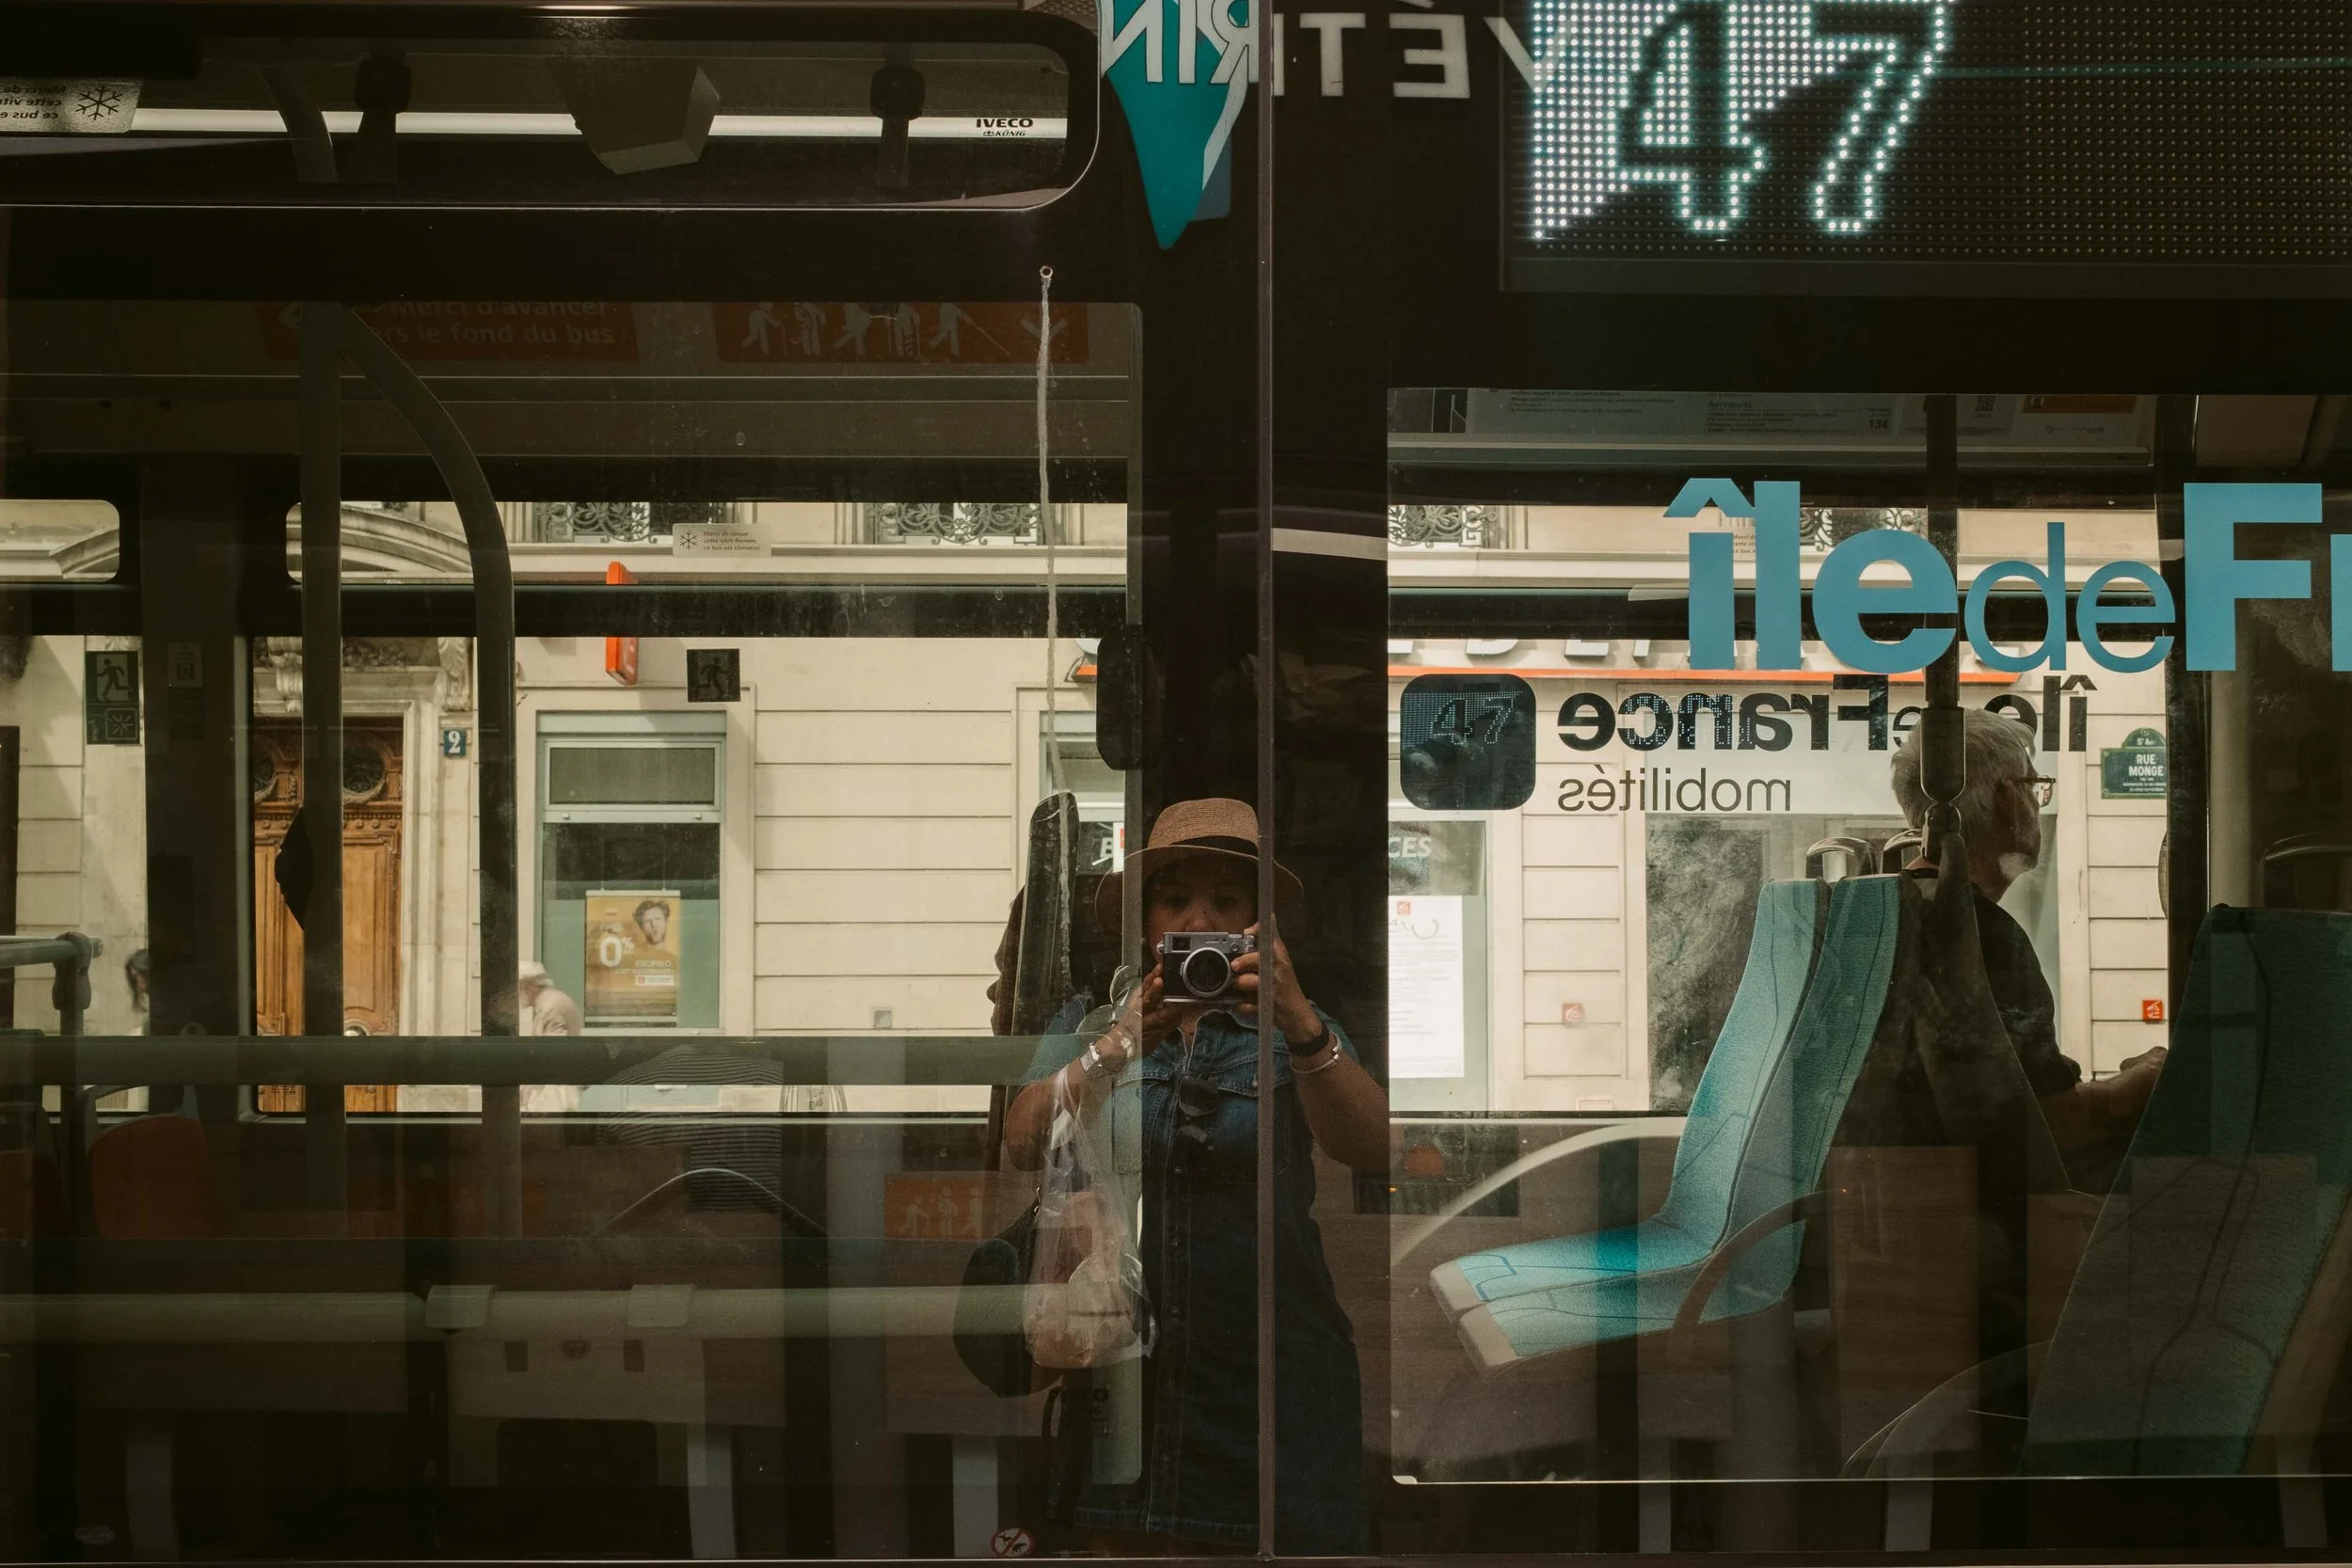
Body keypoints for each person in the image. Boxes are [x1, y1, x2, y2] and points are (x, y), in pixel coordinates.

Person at [1003, 798, 1387, 1554]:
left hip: (1269, 1370)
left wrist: (1299, 1021)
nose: (1197, 916)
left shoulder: (1292, 1025)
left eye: (1226, 899)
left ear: (1259, 921)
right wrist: (1120, 1043)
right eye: (1175, 898)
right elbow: (1021, 1140)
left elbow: (1373, 1144)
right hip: (1126, 1369)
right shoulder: (1096, 1021)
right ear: (1147, 922)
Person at [1890, 708, 2164, 1190]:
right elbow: (2050, 1125)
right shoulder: (1978, 935)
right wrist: (2142, 1081)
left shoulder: (1889, 911)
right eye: (2036, 788)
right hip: (1965, 1209)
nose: (2038, 805)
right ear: (2008, 800)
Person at [518, 959, 583, 1037]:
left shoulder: (550, 1007)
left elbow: (554, 1046)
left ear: (526, 986)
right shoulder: (549, 1001)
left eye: (519, 988)